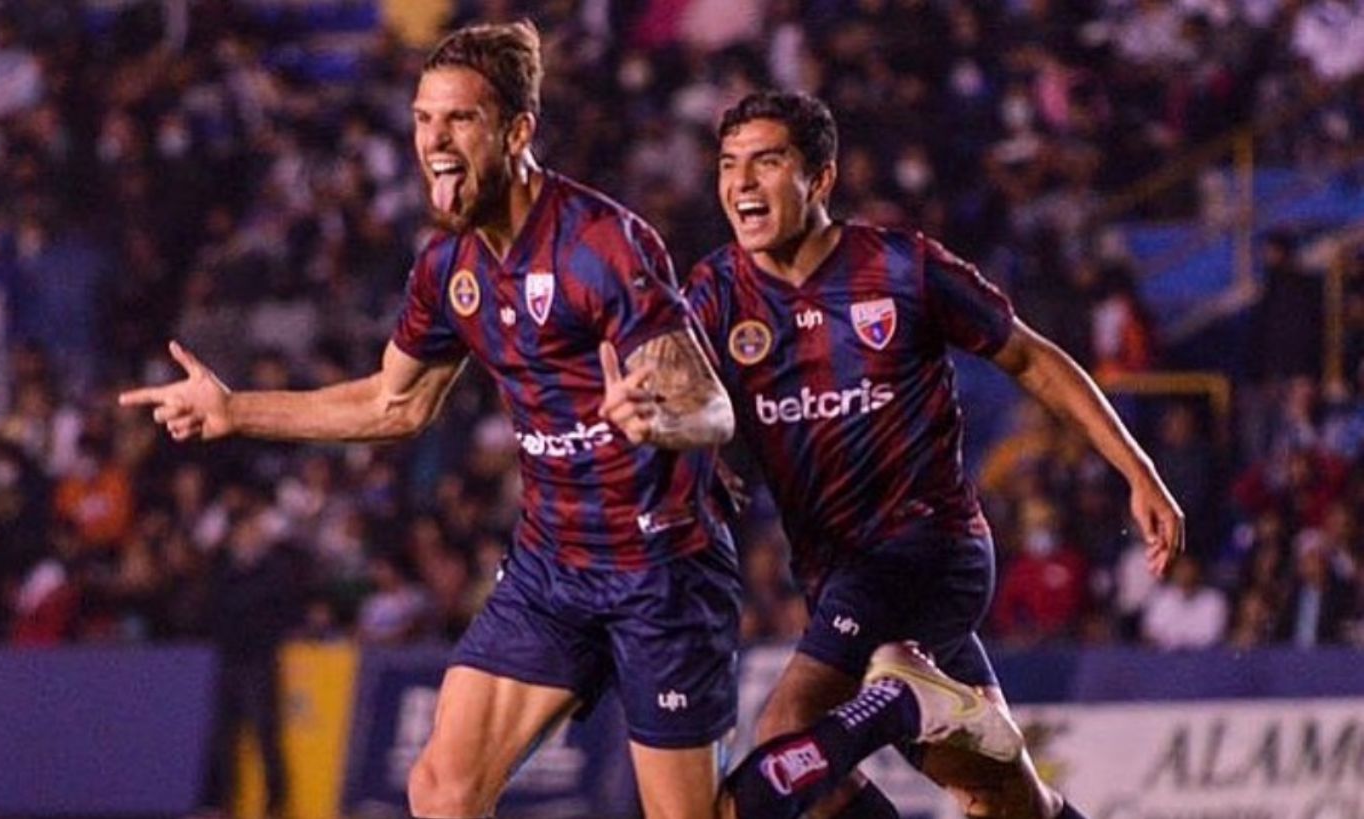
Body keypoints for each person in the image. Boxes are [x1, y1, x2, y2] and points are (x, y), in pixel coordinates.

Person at [121, 21, 742, 819]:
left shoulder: (603, 245)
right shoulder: (448, 268)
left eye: (459, 119)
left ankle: (824, 779)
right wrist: (237, 410)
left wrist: (658, 414)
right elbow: (396, 401)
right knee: (442, 789)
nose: (434, 141)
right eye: (423, 119)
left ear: (516, 132)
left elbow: (710, 405)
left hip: (662, 569)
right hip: (553, 568)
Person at [660, 91, 1182, 817]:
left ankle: (905, 699)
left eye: (767, 162)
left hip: (928, 548)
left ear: (820, 177)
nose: (741, 183)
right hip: (838, 574)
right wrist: (696, 451)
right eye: (728, 164)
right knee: (1005, 798)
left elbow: (1031, 359)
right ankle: (921, 698)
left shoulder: (900, 268)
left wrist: (1139, 470)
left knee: (788, 732)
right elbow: (688, 403)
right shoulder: (716, 292)